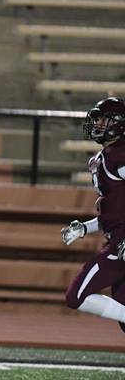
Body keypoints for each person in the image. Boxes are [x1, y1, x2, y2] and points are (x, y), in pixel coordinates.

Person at [62, 97, 125, 336]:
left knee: (76, 295)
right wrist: (85, 228)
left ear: (118, 123)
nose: (97, 125)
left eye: (102, 120)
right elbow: (114, 212)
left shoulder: (119, 155)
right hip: (117, 240)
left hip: (120, 244)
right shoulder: (104, 157)